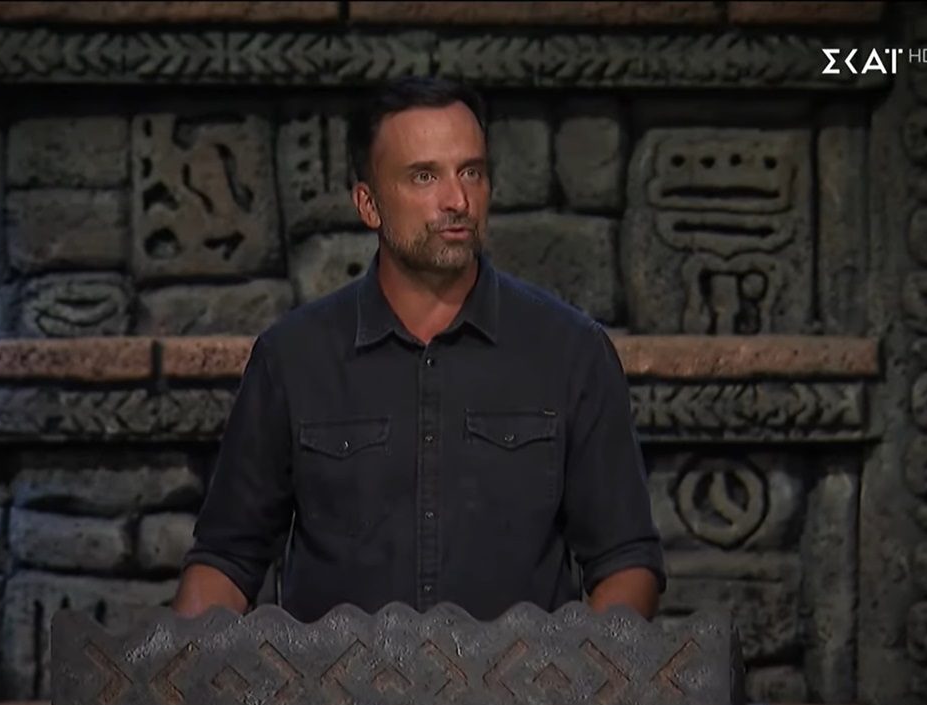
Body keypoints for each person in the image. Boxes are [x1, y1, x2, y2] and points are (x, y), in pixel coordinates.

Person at [172, 76, 665, 623]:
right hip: (337, 679)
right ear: (369, 204)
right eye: (424, 176)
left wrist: (577, 670)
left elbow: (626, 561)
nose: (457, 201)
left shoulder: (571, 352)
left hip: (521, 680)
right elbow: (226, 560)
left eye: (471, 172)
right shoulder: (291, 359)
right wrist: (178, 666)